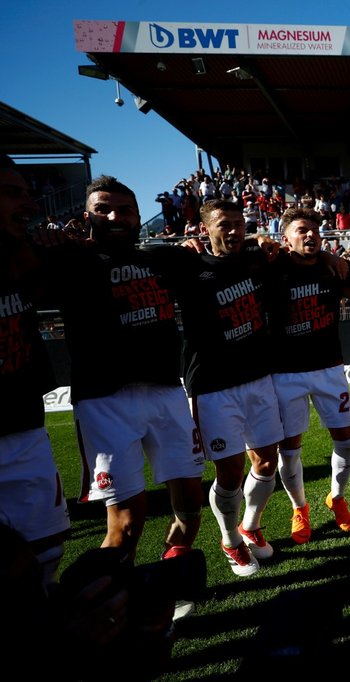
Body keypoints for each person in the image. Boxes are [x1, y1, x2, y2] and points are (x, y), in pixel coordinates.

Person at [41, 176, 204, 572]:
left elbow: (224, 254)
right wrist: (44, 239)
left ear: (137, 217)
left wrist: (265, 244)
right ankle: (112, 600)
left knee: (191, 507)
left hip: (167, 392)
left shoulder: (162, 259)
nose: (115, 216)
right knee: (127, 523)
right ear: (86, 217)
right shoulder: (70, 260)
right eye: (104, 209)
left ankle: (172, 571)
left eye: (125, 210)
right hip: (104, 401)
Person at [150, 200, 285, 577]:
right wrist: (180, 248)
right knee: (229, 474)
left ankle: (251, 526)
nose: (234, 231)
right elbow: (144, 258)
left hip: (258, 377)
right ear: (206, 229)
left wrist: (262, 240)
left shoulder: (256, 255)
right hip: (213, 385)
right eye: (225, 224)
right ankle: (230, 542)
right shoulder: (189, 264)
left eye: (240, 224)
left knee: (267, 462)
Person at [267, 208, 350, 541]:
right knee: (289, 449)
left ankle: (336, 497)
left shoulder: (330, 266)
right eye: (302, 230)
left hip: (329, 368)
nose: (310, 235)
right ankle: (299, 508)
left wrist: (333, 258)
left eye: (315, 231)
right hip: (285, 374)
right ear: (285, 237)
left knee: (346, 439)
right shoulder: (271, 267)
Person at [0, 155, 69, 585]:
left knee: (48, 552)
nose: (28, 203)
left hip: (25, 428)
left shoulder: (23, 260)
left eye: (28, 193)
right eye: (11, 194)